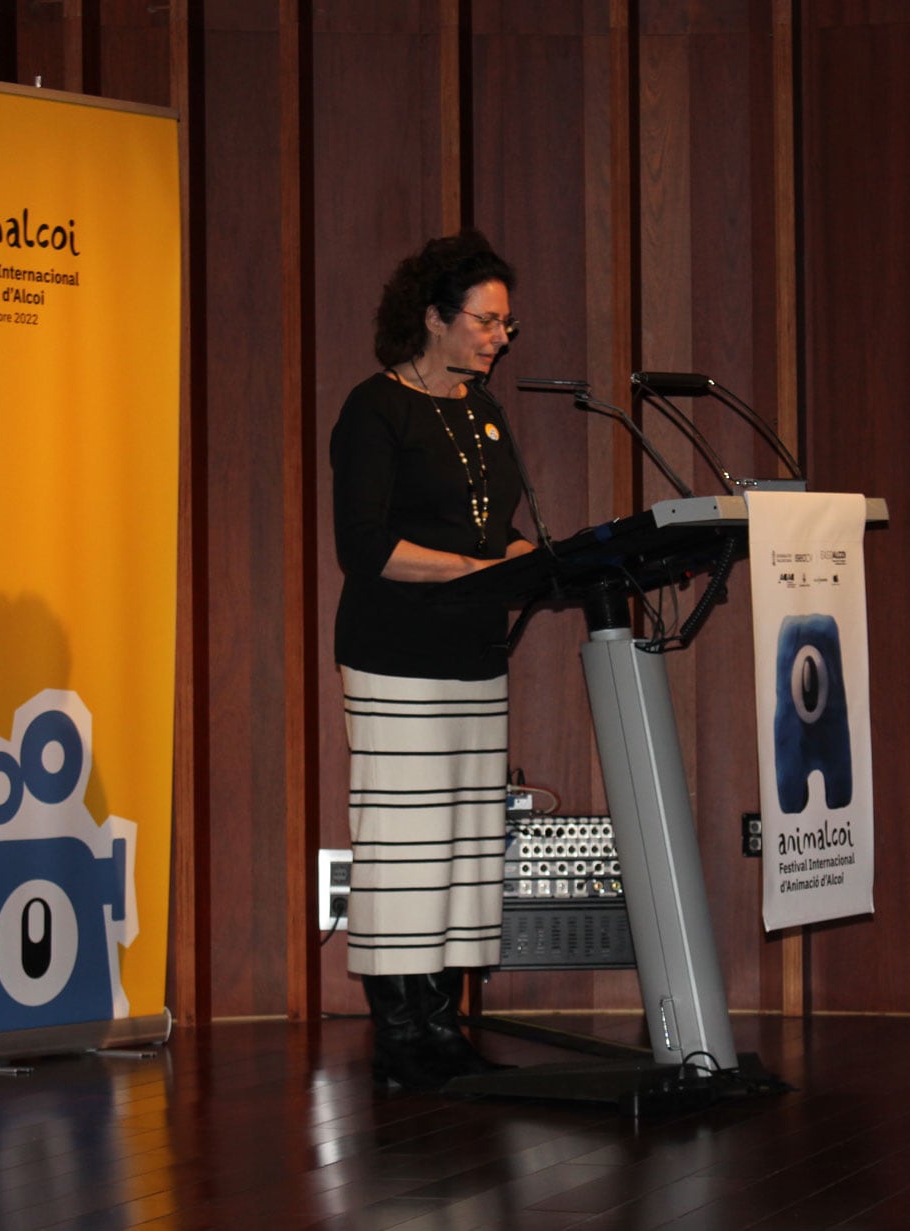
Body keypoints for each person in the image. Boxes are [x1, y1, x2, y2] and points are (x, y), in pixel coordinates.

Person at [329, 230, 534, 1091]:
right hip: (397, 654)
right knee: (404, 843)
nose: (498, 338)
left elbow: (499, 528)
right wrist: (478, 569)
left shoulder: (484, 412)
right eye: (485, 322)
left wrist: (536, 559)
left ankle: (443, 1026)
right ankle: (400, 1033)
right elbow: (365, 546)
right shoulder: (374, 409)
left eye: (506, 326)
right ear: (433, 318)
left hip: (475, 654)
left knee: (462, 845)